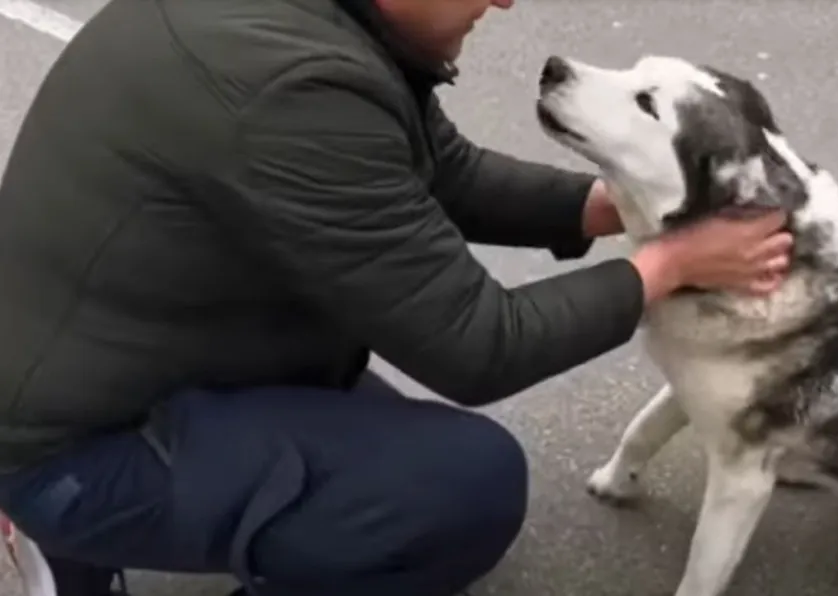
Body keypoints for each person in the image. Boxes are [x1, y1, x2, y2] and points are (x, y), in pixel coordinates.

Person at [0, 0, 793, 594]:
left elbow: (434, 167)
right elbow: (480, 346)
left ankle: (89, 528)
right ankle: (61, 532)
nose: (505, 0)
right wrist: (671, 265)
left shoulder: (310, 25)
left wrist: (609, 205)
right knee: (458, 490)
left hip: (120, 361)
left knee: (391, 449)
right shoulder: (293, 89)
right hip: (72, 446)